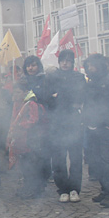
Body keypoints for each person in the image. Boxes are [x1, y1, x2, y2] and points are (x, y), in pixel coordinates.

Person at [82, 54, 109, 208]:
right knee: (96, 161)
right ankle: (104, 190)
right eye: (88, 66)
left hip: (107, 128)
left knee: (108, 162)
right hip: (93, 127)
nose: (89, 69)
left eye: (92, 66)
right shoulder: (91, 82)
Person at [43, 50, 86, 203]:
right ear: (59, 62)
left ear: (72, 62)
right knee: (58, 158)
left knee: (75, 157)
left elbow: (80, 96)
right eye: (63, 60)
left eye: (68, 60)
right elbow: (47, 96)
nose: (65, 63)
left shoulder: (79, 77)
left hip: (73, 120)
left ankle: (74, 189)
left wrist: (60, 95)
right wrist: (60, 96)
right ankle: (62, 189)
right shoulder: (52, 77)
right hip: (57, 121)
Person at [7, 83, 47, 199]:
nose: (15, 95)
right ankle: (28, 186)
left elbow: (33, 120)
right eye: (14, 92)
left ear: (25, 92)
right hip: (21, 139)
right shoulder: (17, 103)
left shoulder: (31, 103)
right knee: (24, 165)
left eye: (18, 92)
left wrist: (19, 125)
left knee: (31, 165)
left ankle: (34, 188)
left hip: (29, 139)